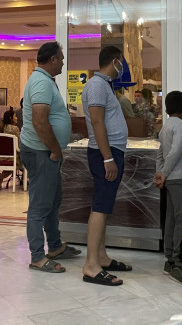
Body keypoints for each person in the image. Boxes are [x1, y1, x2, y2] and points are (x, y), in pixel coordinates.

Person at [20, 41, 79, 273]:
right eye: (61, 58)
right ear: (53, 59)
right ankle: (37, 256)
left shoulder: (46, 81)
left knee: (52, 201)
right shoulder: (41, 82)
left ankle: (54, 246)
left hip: (46, 151)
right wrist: (54, 149)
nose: (63, 62)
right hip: (41, 151)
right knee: (40, 205)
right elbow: (39, 120)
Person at [81, 45, 130, 286]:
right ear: (115, 61)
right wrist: (108, 158)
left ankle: (101, 256)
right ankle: (91, 265)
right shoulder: (97, 85)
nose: (123, 67)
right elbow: (97, 121)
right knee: (100, 206)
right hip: (105, 154)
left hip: (110, 152)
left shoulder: (104, 85)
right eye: (121, 62)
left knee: (104, 205)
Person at [153, 90, 182, 286]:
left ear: (166, 109)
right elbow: (175, 151)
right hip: (180, 179)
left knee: (171, 219)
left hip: (170, 180)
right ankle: (179, 262)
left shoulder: (165, 127)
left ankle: (170, 259)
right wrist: (163, 173)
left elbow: (161, 154)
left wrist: (160, 173)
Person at [0, 108, 22, 190]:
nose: (17, 118)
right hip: (12, 157)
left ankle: (2, 176)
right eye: (15, 116)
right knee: (24, 158)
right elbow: (18, 144)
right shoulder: (15, 129)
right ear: (11, 118)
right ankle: (25, 179)